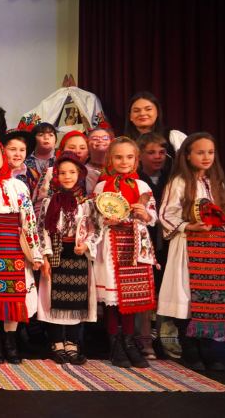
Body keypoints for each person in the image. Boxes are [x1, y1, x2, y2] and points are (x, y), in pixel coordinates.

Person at [158, 132, 225, 371]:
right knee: (188, 297)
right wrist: (189, 226)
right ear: (187, 155)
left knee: (211, 298)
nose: (206, 157)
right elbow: (166, 214)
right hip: (189, 245)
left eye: (210, 152)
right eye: (200, 152)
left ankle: (208, 349)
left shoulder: (216, 182)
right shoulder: (179, 182)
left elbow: (224, 213)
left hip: (215, 248)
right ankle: (190, 349)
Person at [87, 137, 158, 368]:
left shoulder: (142, 187)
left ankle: (129, 342)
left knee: (130, 296)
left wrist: (145, 215)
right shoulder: (101, 187)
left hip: (134, 245)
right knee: (112, 300)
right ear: (110, 159)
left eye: (129, 157)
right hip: (110, 244)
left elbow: (153, 216)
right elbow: (92, 218)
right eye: (118, 157)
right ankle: (115, 344)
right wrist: (105, 220)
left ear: (136, 159)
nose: (124, 161)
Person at [0, 138, 42, 364]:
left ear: (2, 155)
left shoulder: (19, 186)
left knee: (14, 294)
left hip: (14, 246)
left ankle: (10, 342)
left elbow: (29, 220)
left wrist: (35, 252)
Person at [37, 152, 95, 365]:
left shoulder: (86, 203)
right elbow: (42, 229)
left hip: (78, 255)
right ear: (56, 176)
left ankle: (72, 342)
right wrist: (45, 256)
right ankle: (56, 342)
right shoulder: (49, 202)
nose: (67, 176)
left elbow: (94, 229)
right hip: (56, 253)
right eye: (62, 173)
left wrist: (86, 244)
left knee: (76, 299)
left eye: (72, 172)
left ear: (80, 174)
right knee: (53, 299)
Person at [135, 132, 172, 359]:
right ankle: (143, 337)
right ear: (140, 155)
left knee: (164, 290)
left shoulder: (170, 178)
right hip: (143, 243)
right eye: (151, 152)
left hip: (167, 243)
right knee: (144, 291)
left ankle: (165, 337)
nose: (158, 157)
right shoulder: (137, 180)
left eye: (161, 152)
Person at [32, 130, 90, 219]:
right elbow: (38, 204)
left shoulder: (92, 175)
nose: (77, 151)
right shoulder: (51, 172)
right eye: (72, 147)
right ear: (61, 150)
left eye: (82, 148)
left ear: (88, 153)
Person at [86, 128, 114, 193]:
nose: (100, 140)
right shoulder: (83, 171)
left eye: (105, 138)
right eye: (95, 138)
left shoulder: (119, 167)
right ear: (87, 144)